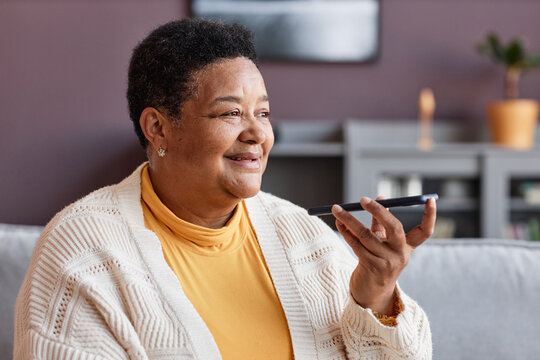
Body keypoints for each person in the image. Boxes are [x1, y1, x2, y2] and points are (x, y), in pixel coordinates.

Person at [14, 19, 436, 359]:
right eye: (231, 112)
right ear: (157, 128)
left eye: (264, 112)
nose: (258, 133)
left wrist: (376, 300)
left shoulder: (301, 234)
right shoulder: (80, 253)